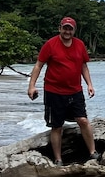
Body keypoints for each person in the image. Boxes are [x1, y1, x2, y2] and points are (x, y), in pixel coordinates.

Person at [27, 16, 96, 165]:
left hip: (75, 91)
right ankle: (58, 159)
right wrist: (32, 86)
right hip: (54, 92)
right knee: (56, 126)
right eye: (65, 28)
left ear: (74, 31)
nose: (67, 31)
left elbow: (83, 66)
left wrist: (89, 84)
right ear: (60, 28)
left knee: (83, 120)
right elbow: (39, 65)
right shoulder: (50, 44)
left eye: (70, 29)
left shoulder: (79, 44)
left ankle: (93, 152)